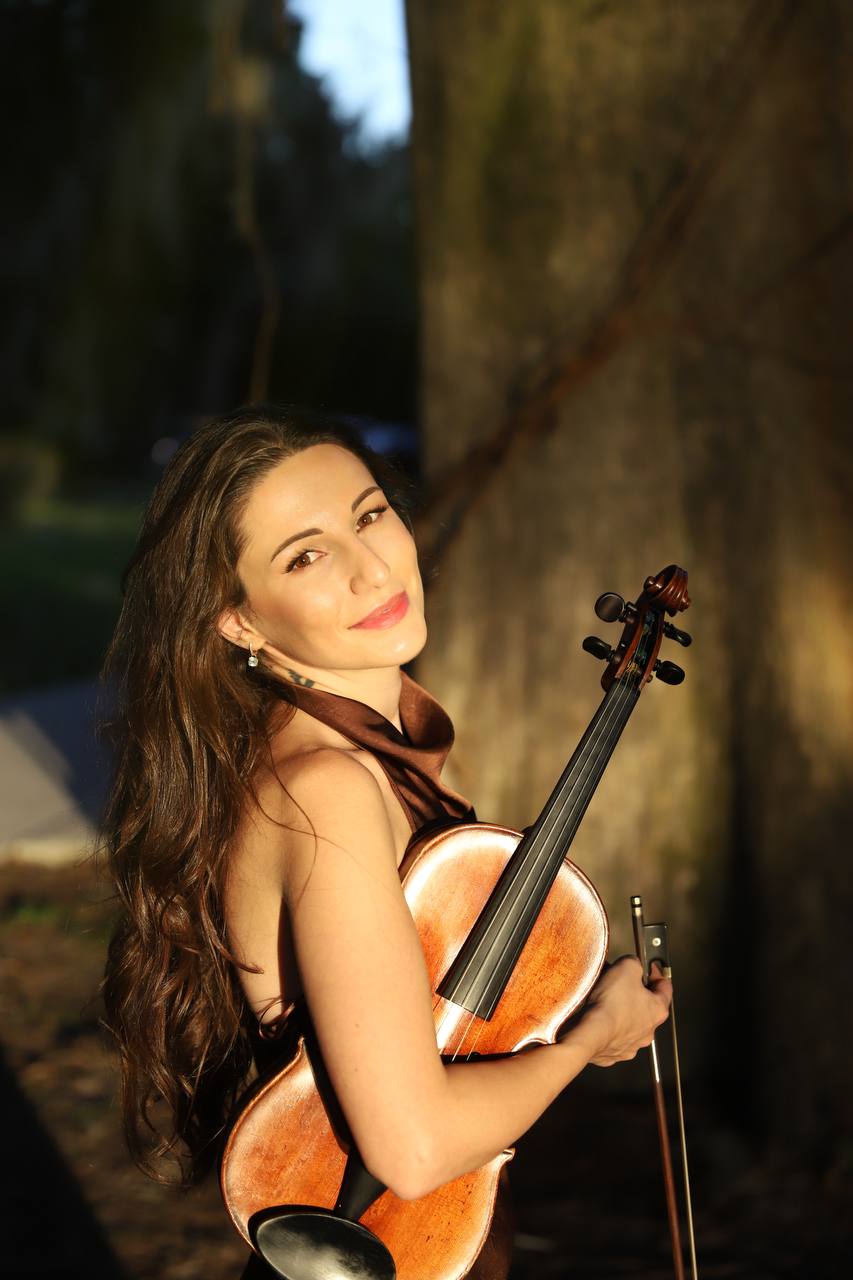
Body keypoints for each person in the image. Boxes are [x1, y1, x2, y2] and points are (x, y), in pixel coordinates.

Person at [101, 404, 672, 1278]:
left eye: (370, 514)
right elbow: (410, 1149)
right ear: (238, 622)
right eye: (306, 554)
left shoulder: (369, 750)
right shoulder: (325, 791)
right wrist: (585, 1040)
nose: (372, 567)